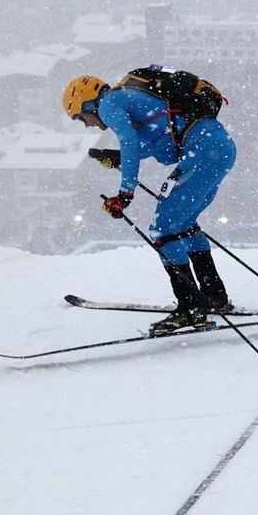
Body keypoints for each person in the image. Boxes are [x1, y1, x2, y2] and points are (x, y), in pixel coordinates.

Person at [63, 72, 237, 335]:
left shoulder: (109, 103)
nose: (86, 124)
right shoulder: (132, 99)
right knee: (184, 223)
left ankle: (190, 309)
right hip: (217, 147)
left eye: (79, 117)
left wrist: (125, 194)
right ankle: (214, 297)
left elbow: (130, 142)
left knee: (163, 228)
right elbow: (162, 148)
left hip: (202, 151)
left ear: (88, 104)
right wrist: (118, 157)